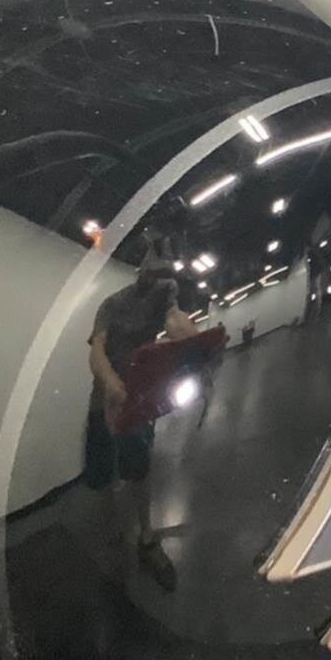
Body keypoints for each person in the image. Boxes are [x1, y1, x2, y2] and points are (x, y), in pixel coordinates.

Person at [85, 251, 198, 591]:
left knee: (138, 467)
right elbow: (96, 350)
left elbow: (176, 324)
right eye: (154, 269)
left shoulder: (165, 294)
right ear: (141, 269)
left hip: (139, 395)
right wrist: (110, 382)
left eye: (165, 271)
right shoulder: (112, 304)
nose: (159, 277)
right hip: (104, 397)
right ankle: (112, 533)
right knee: (100, 472)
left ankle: (146, 538)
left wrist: (192, 338)